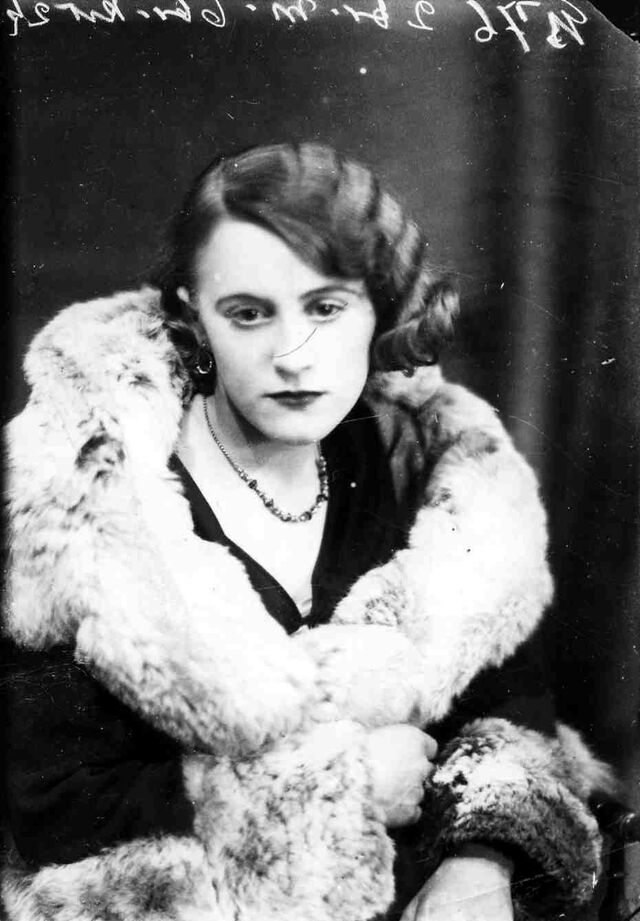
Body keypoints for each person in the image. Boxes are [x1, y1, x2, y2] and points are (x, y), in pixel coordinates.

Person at [2, 142, 614, 921]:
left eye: (325, 308)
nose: (293, 356)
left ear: (380, 307)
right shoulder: (80, 496)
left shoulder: (414, 463)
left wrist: (481, 859)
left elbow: (511, 704)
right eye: (248, 313)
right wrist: (341, 785)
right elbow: (52, 802)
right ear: (192, 316)